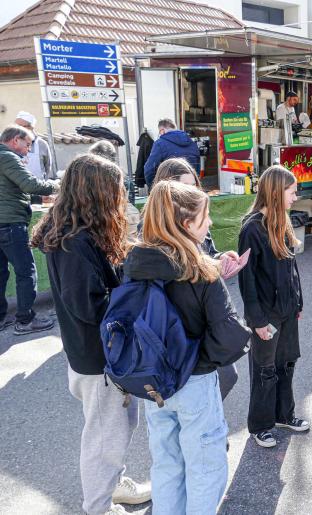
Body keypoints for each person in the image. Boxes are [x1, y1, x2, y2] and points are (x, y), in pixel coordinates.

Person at [31, 154, 150, 515]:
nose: (120, 197)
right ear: (94, 192)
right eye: (115, 190)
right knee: (104, 438)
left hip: (89, 354)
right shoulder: (75, 242)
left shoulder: (71, 231)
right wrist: (129, 295)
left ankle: (113, 488)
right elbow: (90, 306)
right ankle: (98, 506)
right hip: (96, 358)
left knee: (114, 429)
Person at [123, 180, 251, 514]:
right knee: (205, 467)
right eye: (204, 217)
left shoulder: (134, 262)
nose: (209, 223)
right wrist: (201, 360)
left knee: (166, 464)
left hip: (154, 381)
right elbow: (228, 334)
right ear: (185, 224)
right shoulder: (200, 269)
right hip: (194, 380)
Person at [151, 158, 242, 402]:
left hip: (200, 325)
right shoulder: (153, 233)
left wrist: (222, 259)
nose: (193, 193)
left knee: (225, 378)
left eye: (195, 186)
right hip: (180, 331)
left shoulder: (196, 219)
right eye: (186, 187)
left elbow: (208, 254)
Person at [238, 165, 309, 448]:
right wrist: (257, 320)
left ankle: (283, 414)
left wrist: (297, 302)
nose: (295, 197)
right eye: (292, 192)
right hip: (265, 315)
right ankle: (260, 425)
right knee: (264, 370)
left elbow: (292, 270)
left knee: (286, 364)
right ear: (277, 192)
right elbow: (248, 281)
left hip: (287, 310)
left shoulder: (282, 222)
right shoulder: (252, 228)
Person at [0, 124, 59, 334]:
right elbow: (30, 184)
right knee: (26, 272)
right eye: (27, 144)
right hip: (11, 224)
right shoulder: (8, 157)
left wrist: (36, 197)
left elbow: (9, 190)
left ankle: (1, 318)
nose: (28, 150)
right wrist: (59, 184)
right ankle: (25, 319)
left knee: (1, 273)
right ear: (15, 140)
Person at [88, 141, 141, 240]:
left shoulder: (96, 180)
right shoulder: (124, 177)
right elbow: (129, 203)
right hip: (126, 222)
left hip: (112, 224)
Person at [142, 119, 199, 188]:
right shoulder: (191, 142)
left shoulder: (160, 143)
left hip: (171, 189)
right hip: (190, 188)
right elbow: (197, 167)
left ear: (162, 131)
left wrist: (152, 188)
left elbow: (149, 169)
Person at [14, 111, 54, 180]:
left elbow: (48, 167)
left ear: (30, 127)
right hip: (17, 189)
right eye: (15, 126)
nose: (16, 129)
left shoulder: (42, 144)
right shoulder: (11, 143)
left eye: (20, 126)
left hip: (39, 188)